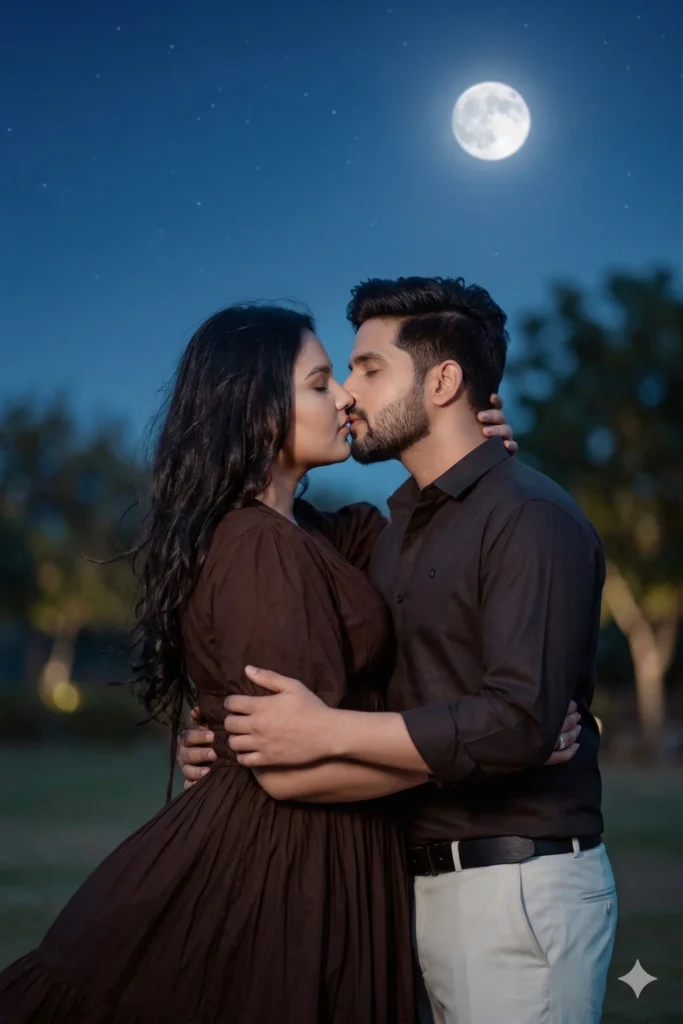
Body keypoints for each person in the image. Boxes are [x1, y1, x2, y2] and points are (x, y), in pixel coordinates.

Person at [0, 301, 546, 1024]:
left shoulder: (322, 535)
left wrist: (467, 455)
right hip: (280, 866)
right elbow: (290, 766)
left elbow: (418, 555)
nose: (345, 396)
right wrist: (495, 748)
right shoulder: (257, 546)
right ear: (258, 410)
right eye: (321, 383)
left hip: (326, 852)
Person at [179, 277, 617, 1024]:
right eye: (335, 376)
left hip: (512, 886)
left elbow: (516, 721)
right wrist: (212, 733)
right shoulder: (385, 536)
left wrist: (324, 734)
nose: (348, 395)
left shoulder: (529, 517)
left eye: (366, 370)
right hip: (412, 883)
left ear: (443, 381)